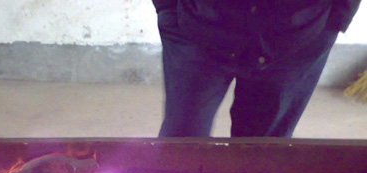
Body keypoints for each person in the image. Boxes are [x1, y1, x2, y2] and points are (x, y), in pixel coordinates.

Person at [152, 0, 362, 137]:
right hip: (198, 28)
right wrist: (167, 9)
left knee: (262, 152)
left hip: (295, 40)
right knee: (182, 139)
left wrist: (337, 20)